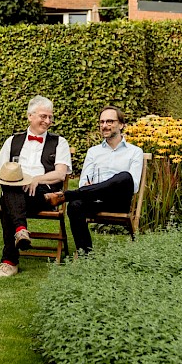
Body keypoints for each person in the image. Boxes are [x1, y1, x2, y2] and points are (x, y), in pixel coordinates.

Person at [0, 95, 71, 278]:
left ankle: (10, 261)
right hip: (17, 191)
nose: (48, 121)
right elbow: (3, 172)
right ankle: (21, 231)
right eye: (43, 116)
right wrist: (21, 181)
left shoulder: (60, 142)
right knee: (10, 186)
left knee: (7, 202)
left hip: (44, 194)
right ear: (30, 116)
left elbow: (60, 173)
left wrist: (37, 179)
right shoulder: (13, 141)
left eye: (50, 117)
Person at [45, 106, 143, 254]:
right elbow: (83, 181)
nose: (104, 125)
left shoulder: (135, 152)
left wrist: (97, 188)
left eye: (110, 121)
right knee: (74, 205)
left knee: (124, 177)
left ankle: (67, 195)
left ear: (122, 125)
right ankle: (86, 255)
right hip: (94, 200)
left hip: (118, 202)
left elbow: (133, 185)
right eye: (102, 122)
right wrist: (89, 187)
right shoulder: (93, 152)